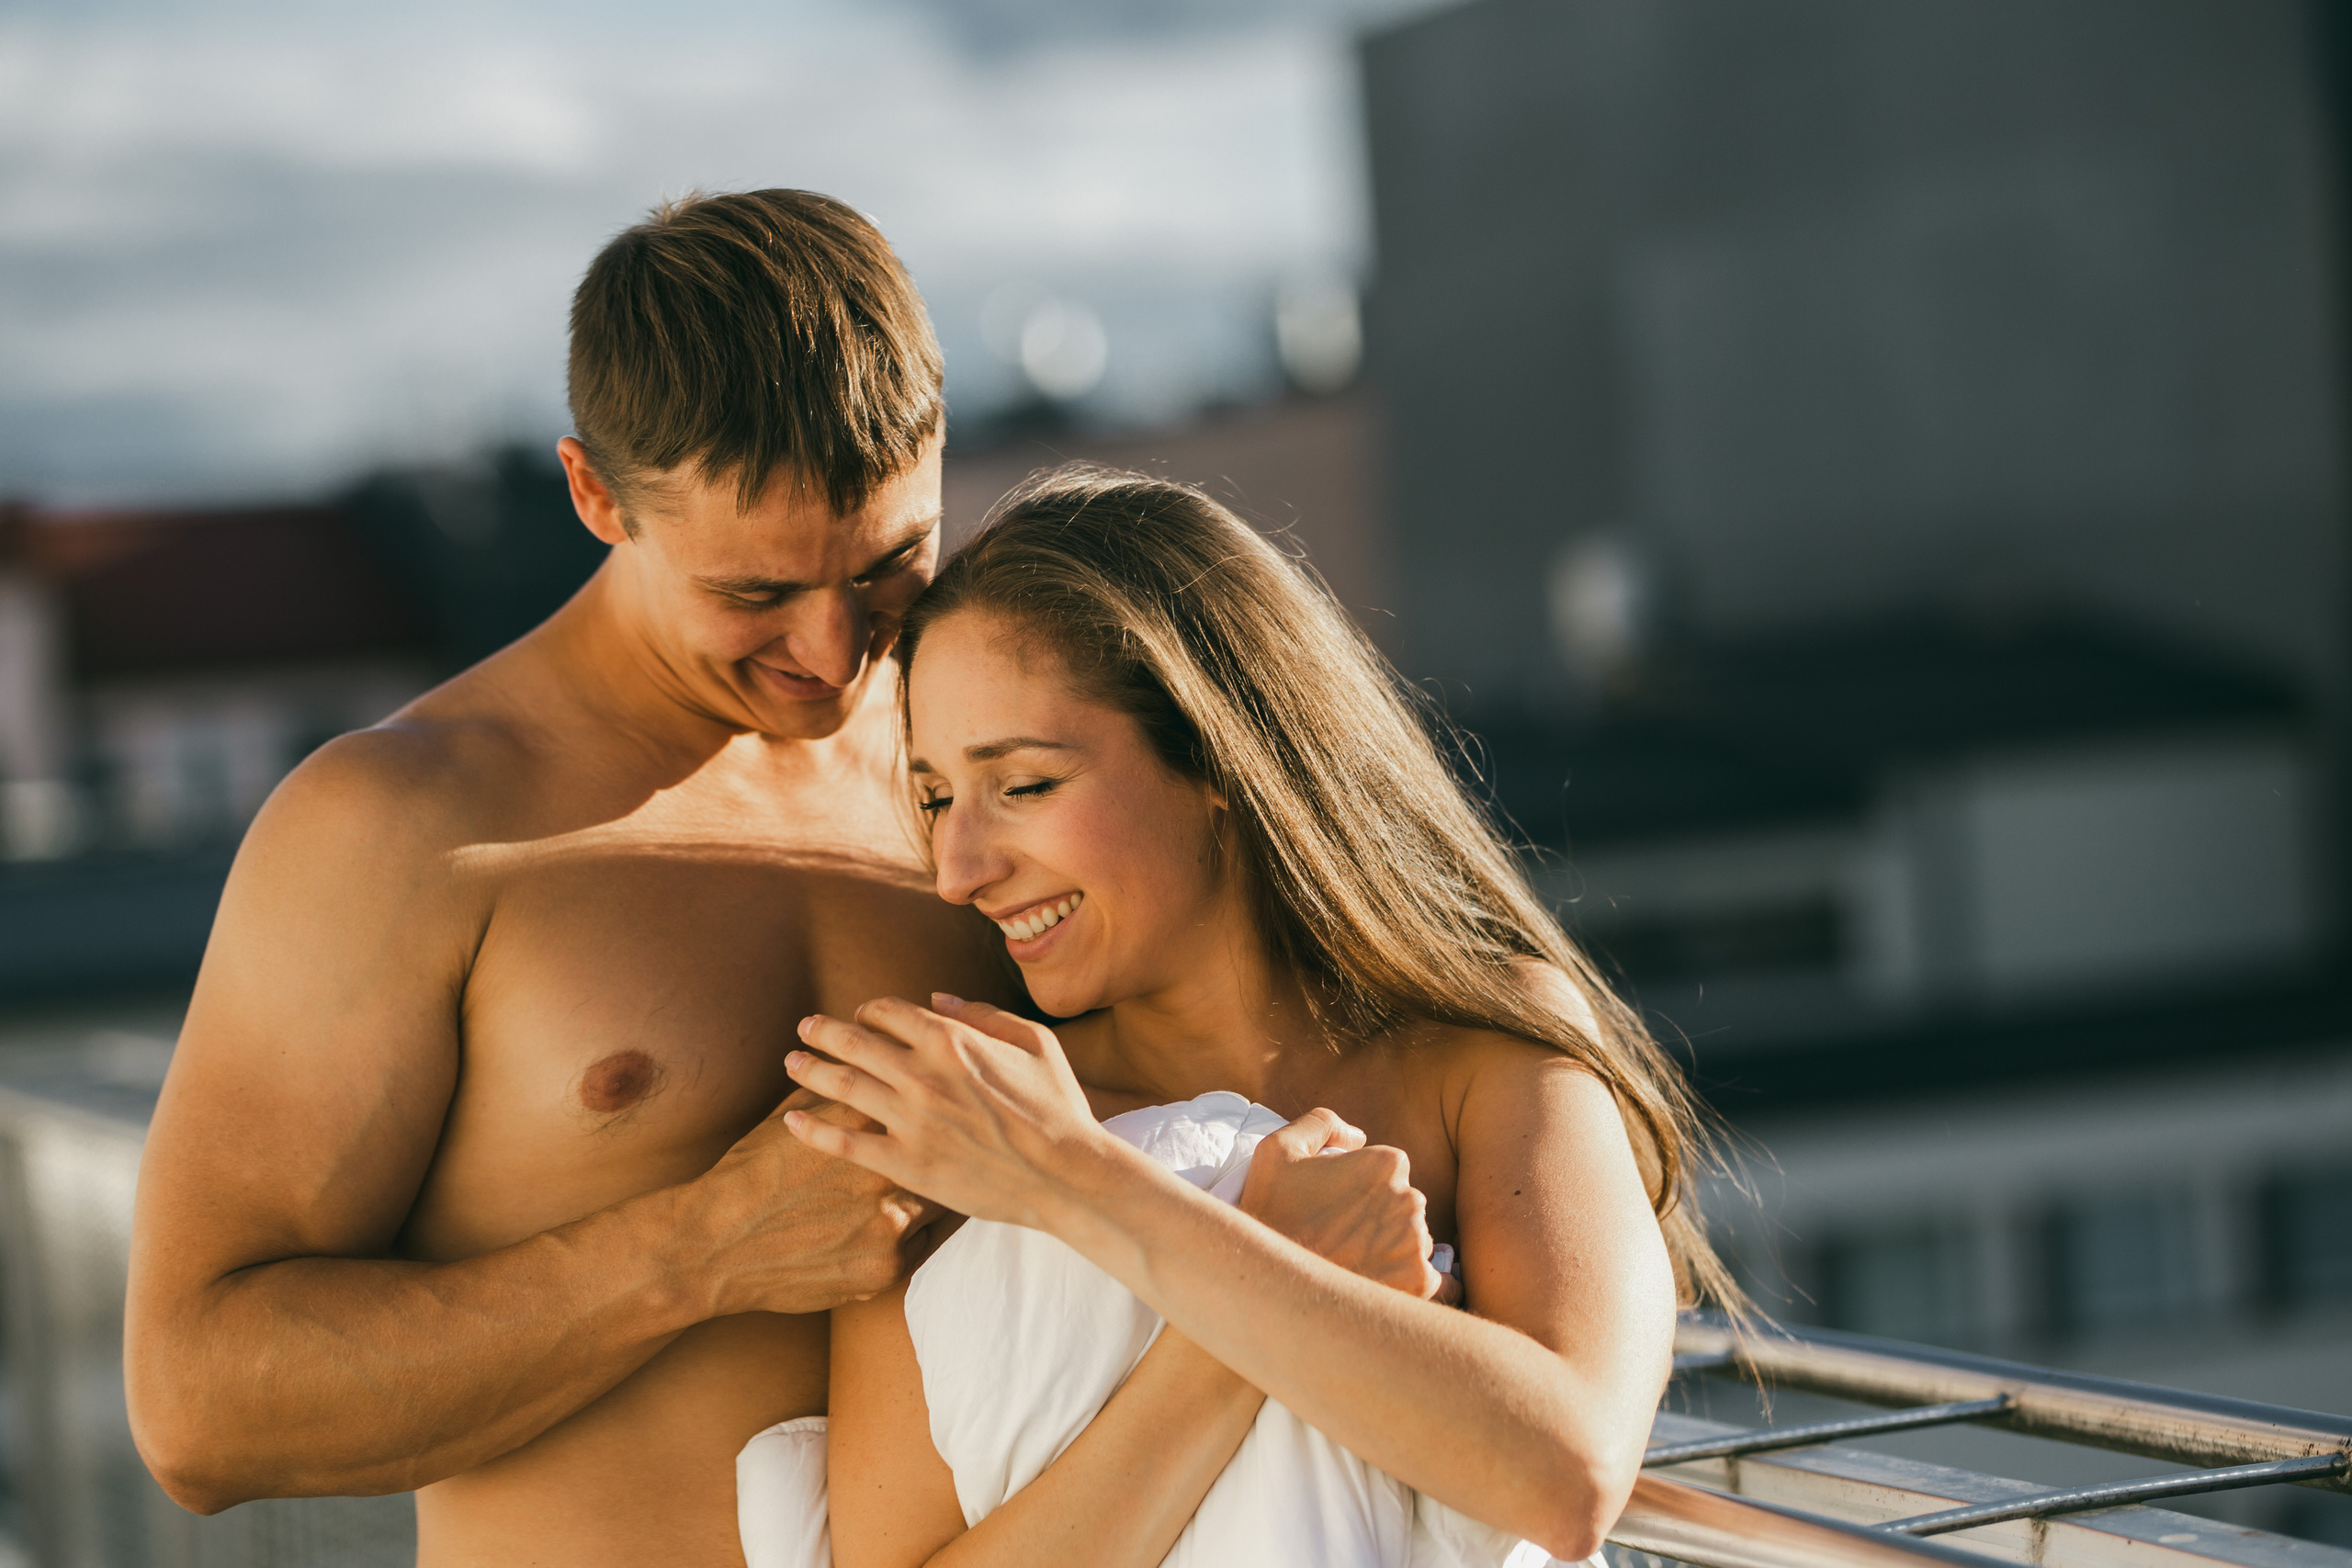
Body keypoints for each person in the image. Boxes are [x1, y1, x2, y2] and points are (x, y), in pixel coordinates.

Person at [121, 189, 1008, 1567]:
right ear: (595, 494)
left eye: (892, 561)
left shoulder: (987, 759)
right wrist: (703, 1246)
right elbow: (195, 1408)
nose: (838, 655)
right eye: (757, 593)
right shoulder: (406, 822)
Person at [763, 468, 1743, 1567]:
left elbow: (1565, 1476)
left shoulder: (1482, 1045)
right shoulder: (955, 1126)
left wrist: (1073, 1180)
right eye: (937, 796)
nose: (957, 869)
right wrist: (1241, 1298)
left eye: (1025, 785)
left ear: (1218, 756)